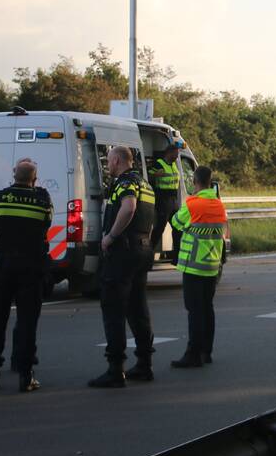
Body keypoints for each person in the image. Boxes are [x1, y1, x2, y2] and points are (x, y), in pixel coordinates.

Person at [0, 159, 53, 392]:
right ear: (34, 178)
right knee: (27, 323)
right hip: (30, 267)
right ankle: (25, 375)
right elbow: (47, 223)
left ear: (14, 175)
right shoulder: (42, 201)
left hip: (2, 267)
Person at [88, 146, 157, 388]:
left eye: (109, 161)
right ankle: (144, 363)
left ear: (117, 160)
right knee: (138, 308)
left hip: (123, 252)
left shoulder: (125, 182)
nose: (108, 165)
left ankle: (115, 368)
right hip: (143, 249)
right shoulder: (146, 185)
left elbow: (128, 208)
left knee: (114, 309)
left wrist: (110, 237)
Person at [169, 166, 228, 368]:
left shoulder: (193, 203)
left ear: (195, 181)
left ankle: (193, 354)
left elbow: (176, 222)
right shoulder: (219, 205)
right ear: (211, 182)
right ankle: (206, 352)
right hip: (211, 266)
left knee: (194, 311)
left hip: (193, 266)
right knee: (206, 308)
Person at [148, 143, 182, 263]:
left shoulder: (173, 165)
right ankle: (148, 254)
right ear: (169, 152)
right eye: (176, 152)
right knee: (160, 228)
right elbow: (147, 176)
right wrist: (155, 175)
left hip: (173, 200)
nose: (177, 155)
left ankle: (176, 256)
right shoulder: (159, 164)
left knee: (178, 227)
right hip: (163, 200)